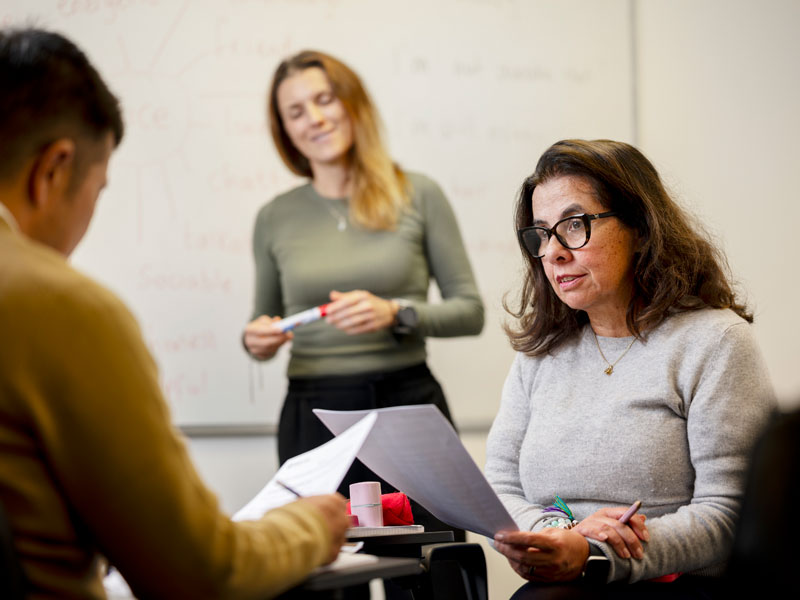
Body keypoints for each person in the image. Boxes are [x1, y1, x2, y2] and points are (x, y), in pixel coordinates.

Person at [0, 28, 349, 599]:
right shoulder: (61, 306)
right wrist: (314, 523)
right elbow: (202, 572)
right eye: (100, 189)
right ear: (53, 170)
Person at [484, 139, 775, 597]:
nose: (554, 253)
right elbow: (499, 485)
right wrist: (559, 536)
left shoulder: (713, 342)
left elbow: (732, 511)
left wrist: (598, 554)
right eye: (541, 233)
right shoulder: (540, 352)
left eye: (575, 225)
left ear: (640, 227)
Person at [242, 50, 484, 535]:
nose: (314, 119)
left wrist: (395, 312)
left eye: (324, 99)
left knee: (429, 564)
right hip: (313, 416)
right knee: (326, 571)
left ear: (351, 104)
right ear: (284, 131)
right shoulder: (274, 217)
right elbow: (261, 323)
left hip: (406, 406)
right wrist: (256, 339)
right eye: (295, 112)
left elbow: (470, 311)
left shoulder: (419, 194)